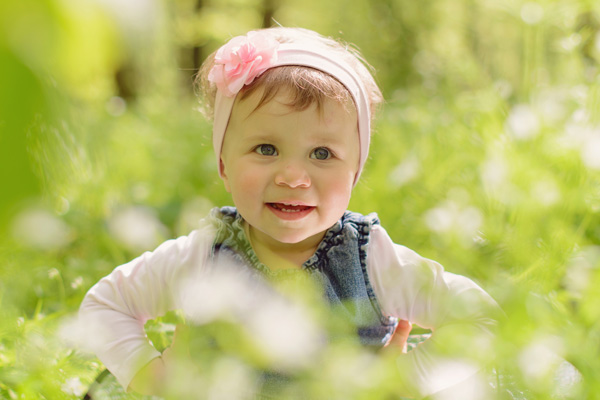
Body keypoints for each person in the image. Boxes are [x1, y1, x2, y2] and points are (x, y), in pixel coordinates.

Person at [79, 27, 500, 398]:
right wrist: (156, 378)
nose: (293, 176)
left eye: (322, 153)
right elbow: (104, 307)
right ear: (223, 163)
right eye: (266, 149)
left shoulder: (371, 259)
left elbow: (482, 319)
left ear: (354, 172)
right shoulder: (203, 256)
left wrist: (400, 382)